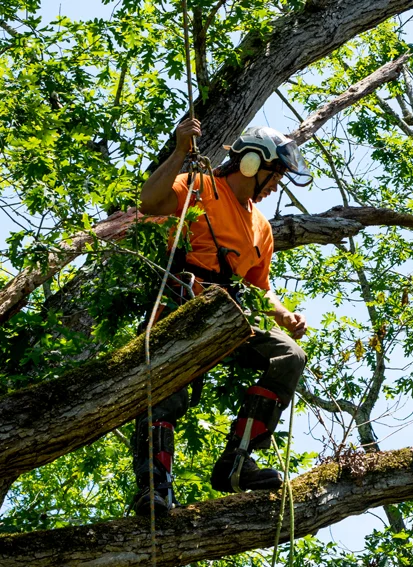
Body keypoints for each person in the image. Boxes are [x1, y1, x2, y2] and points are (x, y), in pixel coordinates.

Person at [131, 118, 312, 517]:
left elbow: (259, 288)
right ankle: (154, 488)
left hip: (229, 317)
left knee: (289, 356)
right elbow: (149, 203)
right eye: (275, 174)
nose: (276, 185)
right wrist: (180, 151)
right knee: (165, 398)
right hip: (181, 308)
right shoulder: (200, 187)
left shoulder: (261, 228)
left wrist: (284, 317)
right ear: (250, 164)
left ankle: (237, 459)